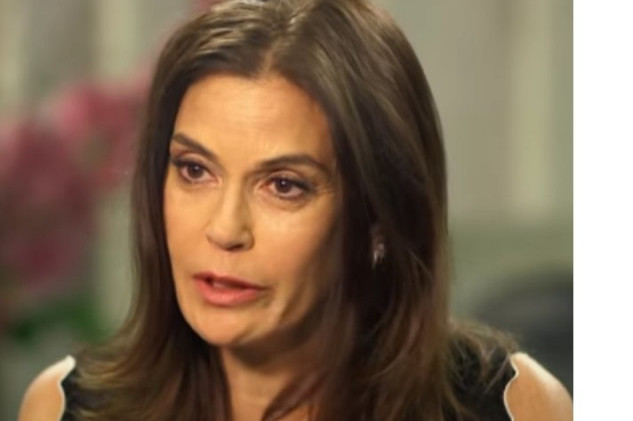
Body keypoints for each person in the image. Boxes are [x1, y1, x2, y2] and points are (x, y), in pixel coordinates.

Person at [17, 0, 572, 420]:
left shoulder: (515, 406)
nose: (225, 229)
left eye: (283, 185)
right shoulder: (64, 407)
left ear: (379, 219)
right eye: (194, 170)